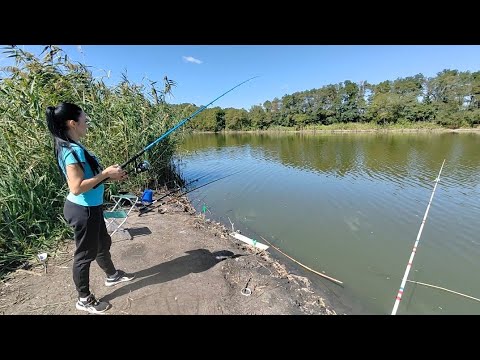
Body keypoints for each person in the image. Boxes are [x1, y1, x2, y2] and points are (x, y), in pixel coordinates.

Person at [46, 102, 135, 314]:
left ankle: (112, 276)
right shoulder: (70, 151)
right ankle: (84, 299)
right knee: (84, 255)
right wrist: (104, 174)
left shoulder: (74, 145)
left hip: (91, 207)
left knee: (103, 243)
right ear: (72, 123)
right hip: (82, 210)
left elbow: (90, 180)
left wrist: (111, 176)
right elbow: (76, 188)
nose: (87, 123)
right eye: (85, 120)